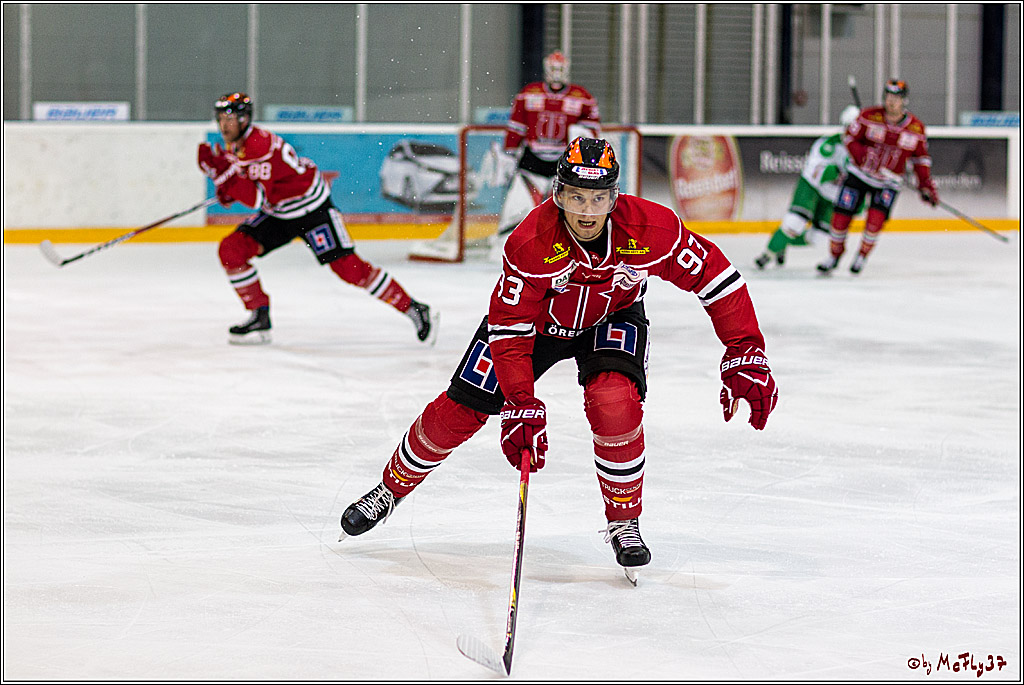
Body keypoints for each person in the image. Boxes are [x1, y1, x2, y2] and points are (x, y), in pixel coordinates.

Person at [338, 138, 778, 581]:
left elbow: (717, 277)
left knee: (614, 402)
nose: (587, 210)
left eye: (598, 198)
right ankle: (390, 488)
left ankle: (624, 520)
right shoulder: (531, 241)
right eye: (577, 197)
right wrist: (519, 400)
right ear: (558, 194)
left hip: (612, 316)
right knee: (461, 409)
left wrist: (745, 350)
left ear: (615, 197)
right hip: (535, 328)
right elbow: (510, 332)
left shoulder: (650, 228)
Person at [198, 92, 438, 345]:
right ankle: (259, 316)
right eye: (221, 119)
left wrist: (222, 175)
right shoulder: (237, 143)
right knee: (232, 250)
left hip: (313, 211)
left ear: (244, 119)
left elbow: (256, 198)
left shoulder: (258, 145)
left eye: (230, 119)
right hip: (280, 212)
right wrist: (228, 185)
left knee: (350, 269)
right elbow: (253, 185)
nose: (224, 125)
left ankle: (414, 308)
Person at [817, 79, 939, 275]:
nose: (891, 101)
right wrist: (862, 155)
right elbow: (849, 137)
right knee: (840, 218)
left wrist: (926, 186)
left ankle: (862, 256)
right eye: (889, 97)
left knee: (875, 222)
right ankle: (834, 255)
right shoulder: (868, 116)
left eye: (896, 98)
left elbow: (921, 160)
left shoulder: (916, 129)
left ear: (904, 101)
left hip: (888, 182)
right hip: (859, 175)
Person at [491, 51, 601, 249]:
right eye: (553, 68)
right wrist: (509, 154)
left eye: (561, 69)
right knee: (516, 210)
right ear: (545, 69)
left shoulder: (582, 97)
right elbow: (516, 127)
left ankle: (564, 249)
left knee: (565, 214)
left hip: (564, 165)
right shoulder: (528, 93)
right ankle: (505, 247)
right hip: (531, 163)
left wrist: (582, 144)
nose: (557, 73)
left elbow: (592, 131)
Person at [754, 105, 862, 270]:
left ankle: (783, 240)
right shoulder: (828, 144)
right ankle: (768, 254)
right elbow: (814, 172)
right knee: (794, 223)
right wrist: (836, 170)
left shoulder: (867, 151)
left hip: (833, 198)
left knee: (818, 238)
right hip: (812, 188)